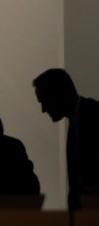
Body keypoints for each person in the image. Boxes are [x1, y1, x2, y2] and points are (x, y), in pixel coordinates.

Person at [34, 68, 99, 210]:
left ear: (65, 93)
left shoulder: (92, 118)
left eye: (47, 102)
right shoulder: (80, 121)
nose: (43, 110)